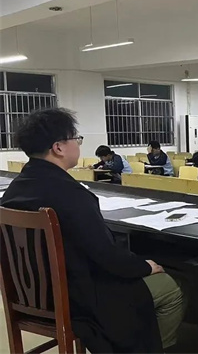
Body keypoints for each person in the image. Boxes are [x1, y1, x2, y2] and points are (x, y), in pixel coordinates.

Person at [0, 108, 183, 352]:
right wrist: (145, 266)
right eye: (76, 138)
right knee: (169, 288)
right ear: (58, 147)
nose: (78, 144)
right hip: (77, 300)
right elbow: (107, 256)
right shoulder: (70, 194)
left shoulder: (15, 190)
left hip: (31, 296)